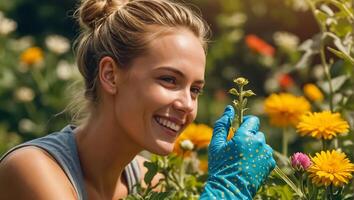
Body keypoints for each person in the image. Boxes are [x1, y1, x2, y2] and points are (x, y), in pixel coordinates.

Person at [0, 0, 275, 199]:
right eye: (169, 80)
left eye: (195, 90)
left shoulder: (152, 181)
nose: (187, 105)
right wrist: (226, 192)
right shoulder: (32, 169)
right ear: (110, 75)